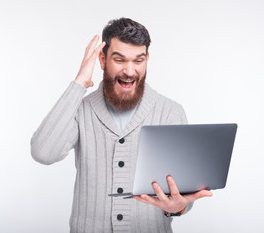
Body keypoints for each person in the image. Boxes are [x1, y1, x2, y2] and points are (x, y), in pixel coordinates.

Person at [30, 18, 212, 233]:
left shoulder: (170, 112)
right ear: (102, 59)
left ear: (147, 60)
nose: (129, 71)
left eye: (138, 60)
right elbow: (43, 152)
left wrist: (179, 207)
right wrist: (79, 82)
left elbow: (181, 193)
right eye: (119, 59)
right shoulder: (81, 108)